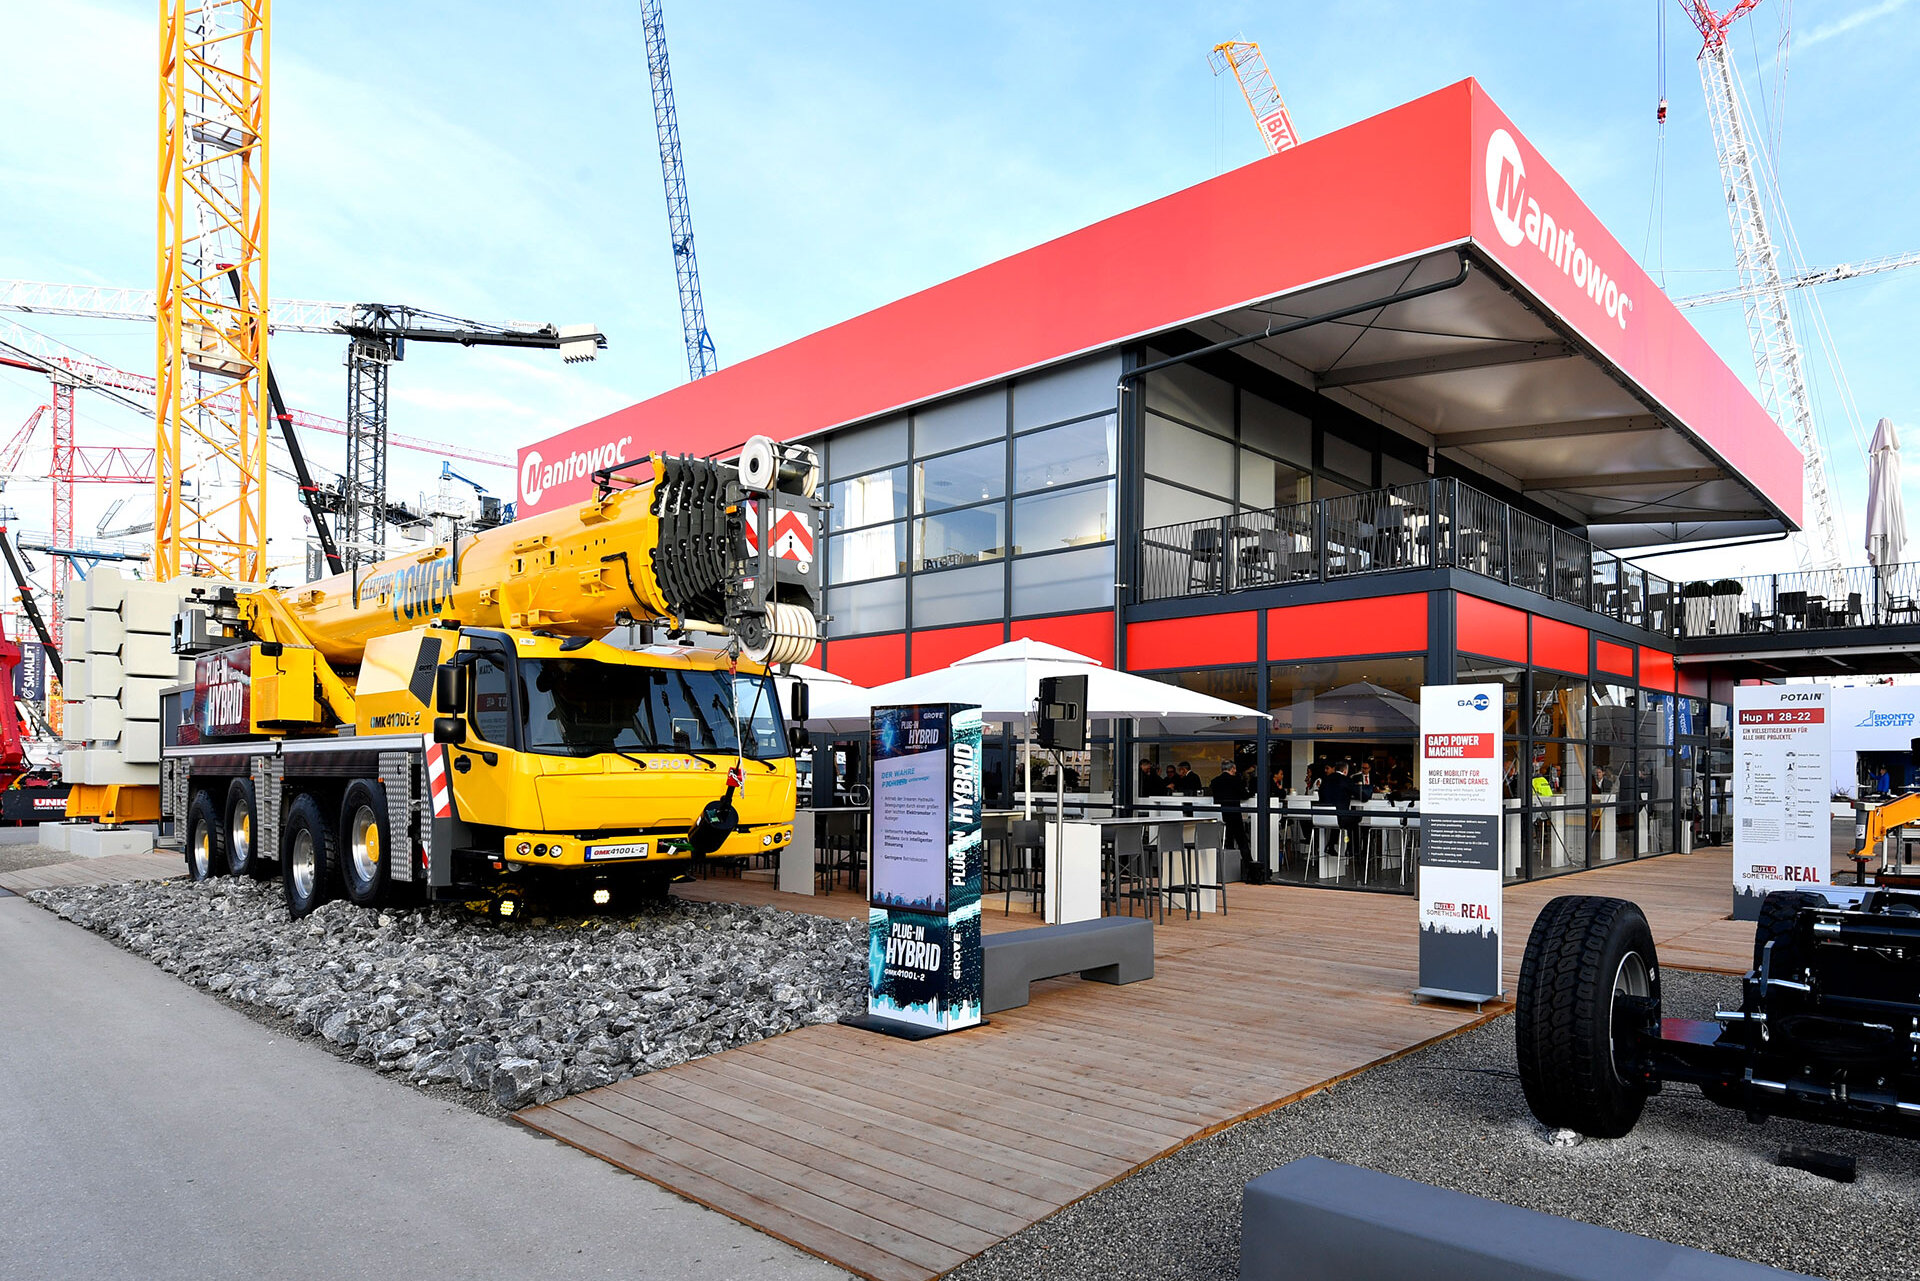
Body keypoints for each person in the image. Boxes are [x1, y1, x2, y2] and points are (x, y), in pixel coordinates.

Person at [1209, 759, 1250, 860]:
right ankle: (1248, 862)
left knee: (1229, 837)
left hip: (1223, 814)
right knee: (1241, 839)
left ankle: (1229, 862)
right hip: (1234, 813)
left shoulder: (1214, 781)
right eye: (1235, 769)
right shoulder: (1235, 780)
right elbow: (1244, 795)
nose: (1235, 771)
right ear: (1232, 768)